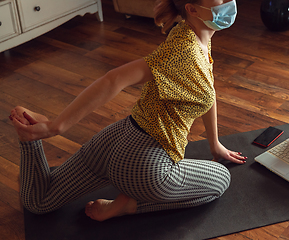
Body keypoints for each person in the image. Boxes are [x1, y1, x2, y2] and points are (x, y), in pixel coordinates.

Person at [9, 0, 246, 222]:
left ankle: (29, 137)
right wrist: (55, 127)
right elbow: (114, 79)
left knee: (39, 202)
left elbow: (208, 89)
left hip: (116, 139)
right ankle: (127, 205)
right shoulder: (183, 50)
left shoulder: (194, 33)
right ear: (193, 9)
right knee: (220, 179)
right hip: (147, 165)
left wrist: (214, 144)